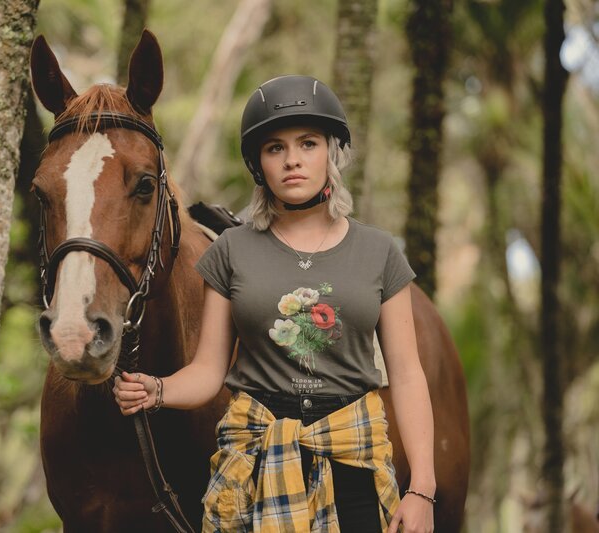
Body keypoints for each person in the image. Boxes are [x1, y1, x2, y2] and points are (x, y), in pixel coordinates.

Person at [113, 75, 435, 533]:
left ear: (332, 152)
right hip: (252, 463)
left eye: (307, 143)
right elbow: (209, 371)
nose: (292, 161)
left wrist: (422, 488)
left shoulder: (380, 253)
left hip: (353, 463)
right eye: (275, 148)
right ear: (258, 163)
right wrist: (157, 390)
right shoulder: (229, 252)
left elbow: (406, 375)